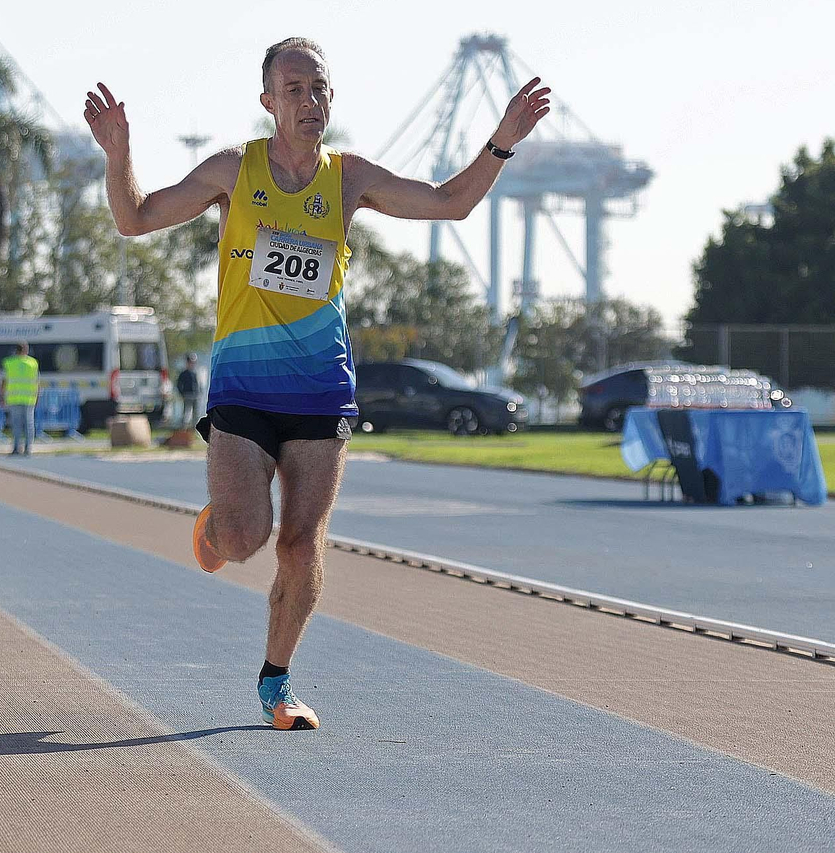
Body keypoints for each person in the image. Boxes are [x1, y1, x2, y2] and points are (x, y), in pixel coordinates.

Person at [83, 38, 549, 730]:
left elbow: (450, 202)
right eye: (294, 89)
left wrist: (502, 140)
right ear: (268, 101)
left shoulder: (348, 178)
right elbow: (135, 218)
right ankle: (220, 524)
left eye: (319, 88)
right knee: (245, 538)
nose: (309, 101)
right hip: (244, 387)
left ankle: (277, 681)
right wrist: (118, 153)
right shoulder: (233, 170)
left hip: (321, 388)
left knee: (301, 544)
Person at [0, 341, 39, 455]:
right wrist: (37, 396)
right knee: (29, 424)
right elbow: (37, 382)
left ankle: (16, 448)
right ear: (26, 350)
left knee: (16, 424)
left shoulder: (8, 363)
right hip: (29, 398)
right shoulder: (33, 363)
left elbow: (4, 381)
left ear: (15, 350)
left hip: (14, 398)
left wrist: (1, 396)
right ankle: (28, 448)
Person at [176, 353, 201, 428]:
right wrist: (182, 393)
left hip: (195, 395)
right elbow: (179, 384)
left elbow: (197, 384)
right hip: (187, 395)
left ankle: (195, 427)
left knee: (196, 413)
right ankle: (184, 427)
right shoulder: (183, 374)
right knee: (186, 413)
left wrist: (198, 392)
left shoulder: (195, 373)